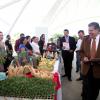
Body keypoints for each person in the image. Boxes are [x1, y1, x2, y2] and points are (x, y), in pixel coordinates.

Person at [80, 22, 100, 100]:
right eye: (88, 30)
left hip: (98, 71)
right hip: (86, 69)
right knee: (85, 89)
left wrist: (96, 60)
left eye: (91, 30)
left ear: (98, 30)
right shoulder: (85, 39)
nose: (89, 32)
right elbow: (81, 51)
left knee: (94, 90)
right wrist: (83, 57)